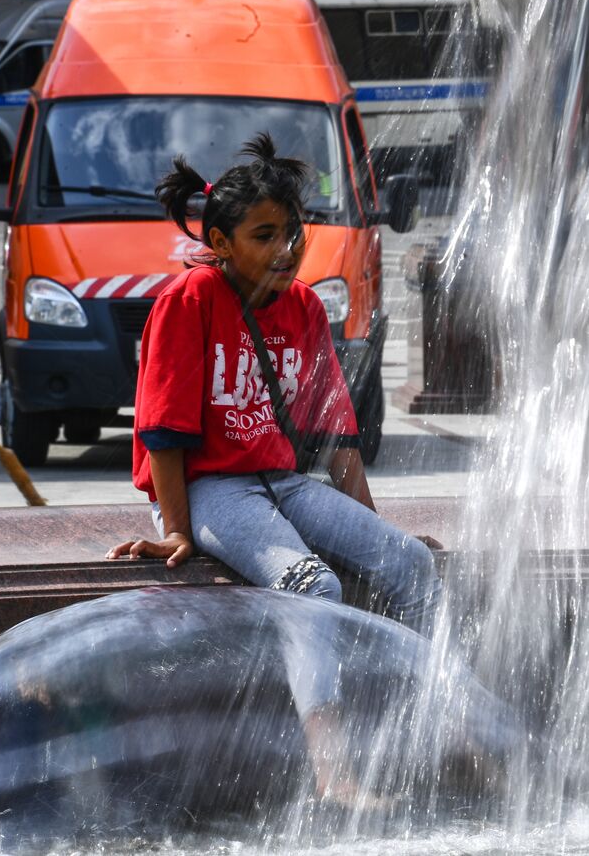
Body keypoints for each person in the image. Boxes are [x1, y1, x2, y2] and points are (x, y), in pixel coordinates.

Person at [106, 135, 442, 800]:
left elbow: (337, 436)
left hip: (280, 481)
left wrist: (371, 534)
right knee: (313, 587)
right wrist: (176, 530)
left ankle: (426, 733)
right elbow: (163, 433)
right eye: (265, 236)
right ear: (223, 244)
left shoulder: (305, 306)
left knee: (412, 565)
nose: (287, 250)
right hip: (207, 487)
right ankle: (333, 771)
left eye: (293, 233)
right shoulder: (191, 299)